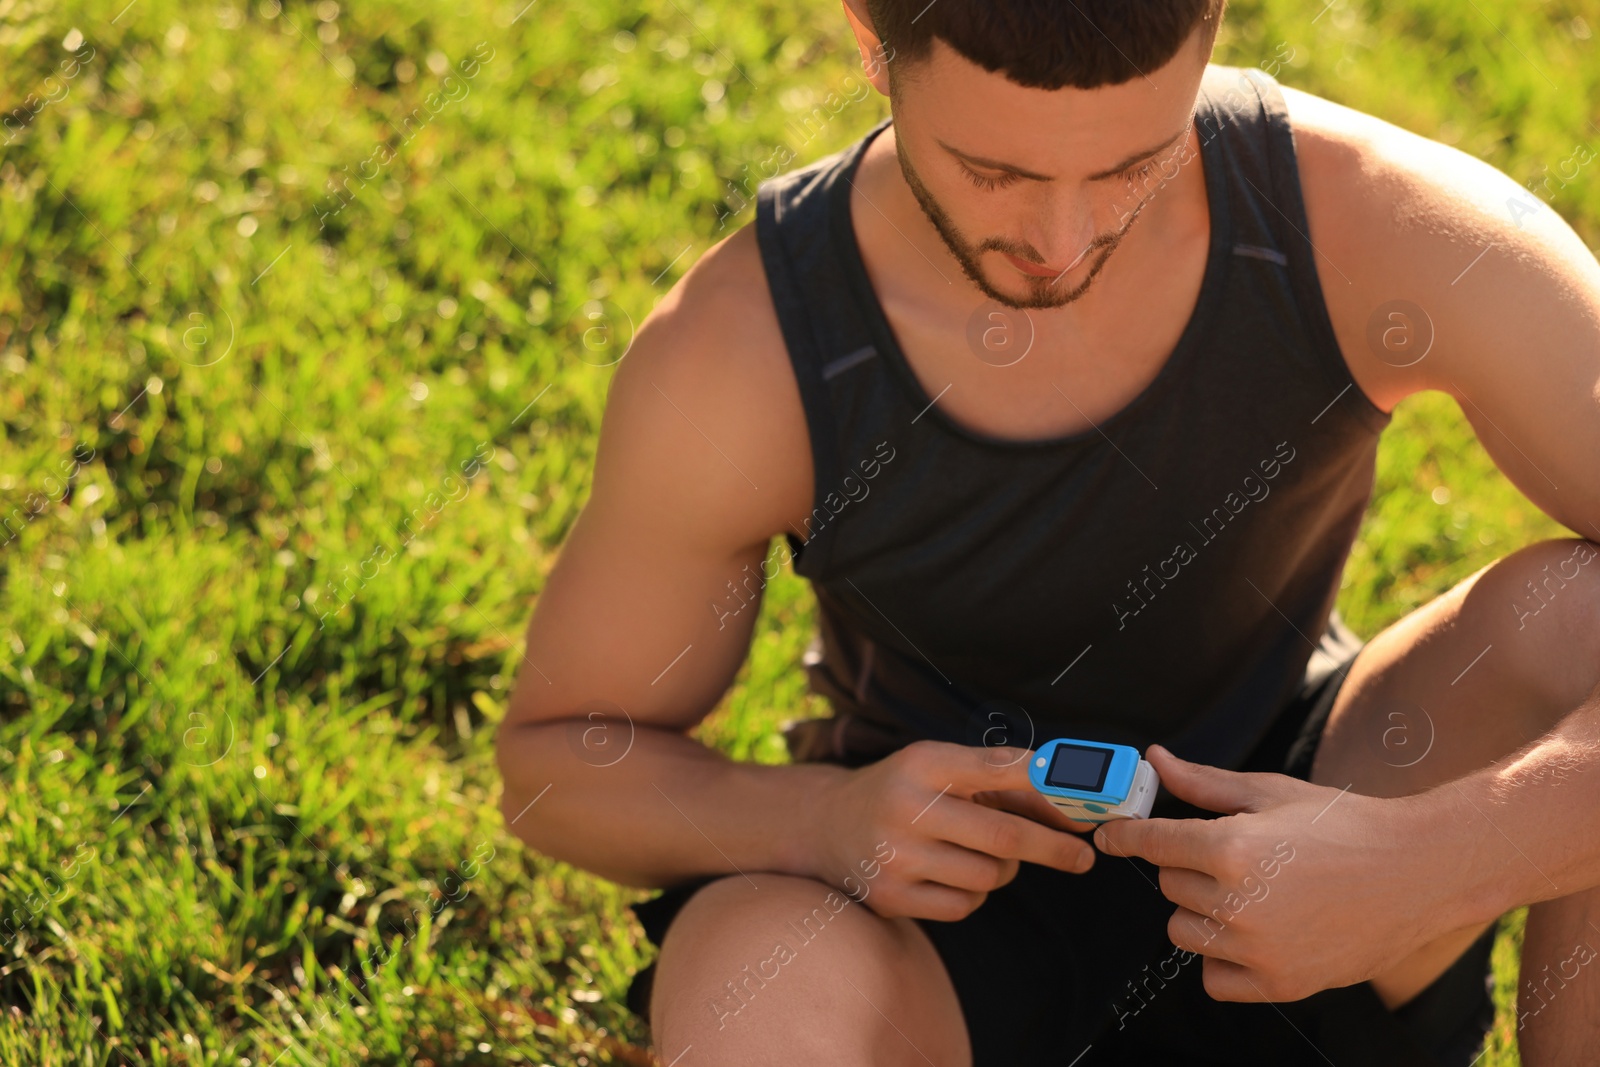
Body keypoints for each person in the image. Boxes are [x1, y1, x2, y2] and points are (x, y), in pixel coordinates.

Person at [495, 1, 1600, 1063]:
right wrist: (820, 819)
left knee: (1572, 617)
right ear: (872, 45)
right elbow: (557, 766)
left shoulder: (1376, 223)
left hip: (1318, 841)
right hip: (924, 905)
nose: (1061, 242)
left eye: (1132, 163)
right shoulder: (745, 353)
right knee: (749, 969)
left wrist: (1422, 866)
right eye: (994, 172)